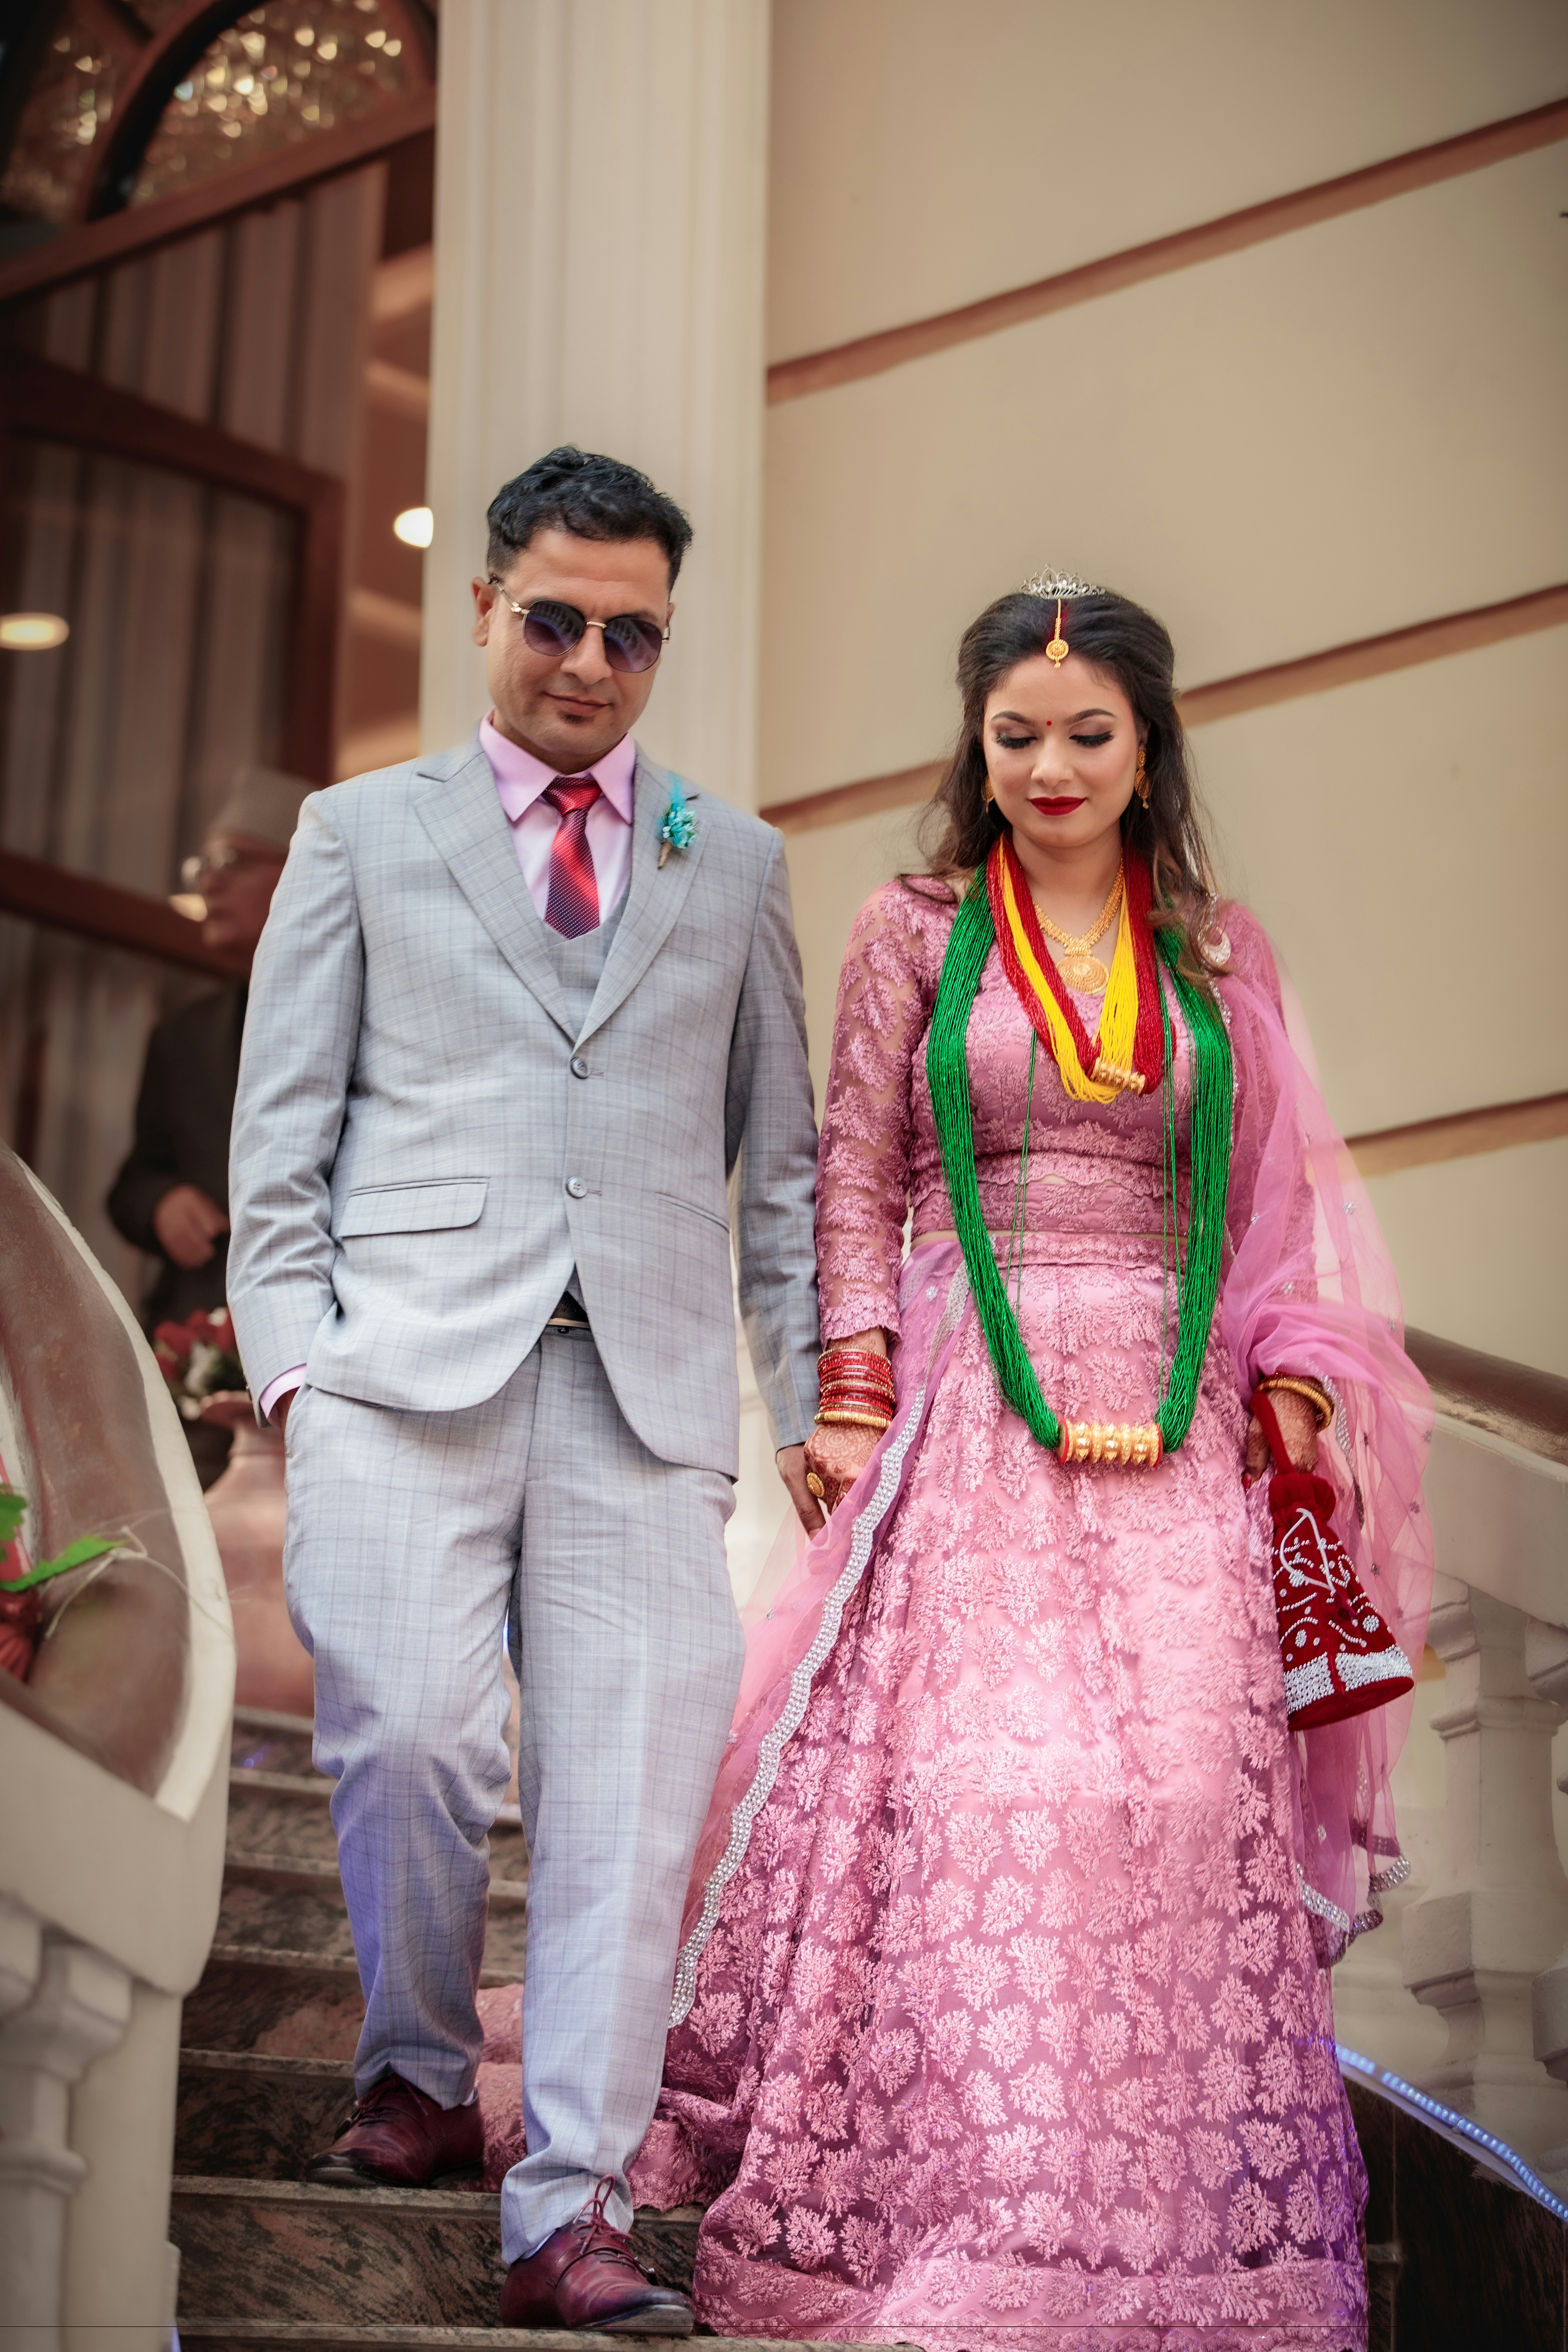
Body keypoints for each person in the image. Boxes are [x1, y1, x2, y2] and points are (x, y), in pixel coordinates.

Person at [634, 578, 1434, 2350]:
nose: (1052, 765)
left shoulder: (1215, 951)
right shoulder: (914, 930)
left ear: (1149, 745)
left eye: (1089, 733)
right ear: (974, 743)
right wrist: (849, 1389)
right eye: (1017, 735)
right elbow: (851, 1170)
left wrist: (1293, 1383)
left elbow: (1273, 1211)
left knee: (1156, 1821)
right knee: (989, 1815)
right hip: (975, 1414)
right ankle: (974, 2222)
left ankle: (1161, 2241)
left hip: (1172, 1428)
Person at [226, 447, 822, 2333]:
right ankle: (409, 2060)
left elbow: (786, 1168)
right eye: (554, 618)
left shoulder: (732, 865)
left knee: (635, 1804)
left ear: (662, 638)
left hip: (645, 1404)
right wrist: (298, 1368)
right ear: (486, 607)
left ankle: (570, 2196)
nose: (587, 660)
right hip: (401, 1370)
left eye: (628, 632)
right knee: (405, 1729)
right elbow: (276, 1148)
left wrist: (805, 1394)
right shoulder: (357, 833)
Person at [108, 768, 308, 1484]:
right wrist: (160, 1203)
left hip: (320, 1357)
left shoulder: (378, 1015)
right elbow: (133, 1181)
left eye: (233, 862)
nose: (210, 884)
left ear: (305, 871)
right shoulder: (184, 1036)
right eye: (204, 866)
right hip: (194, 1356)